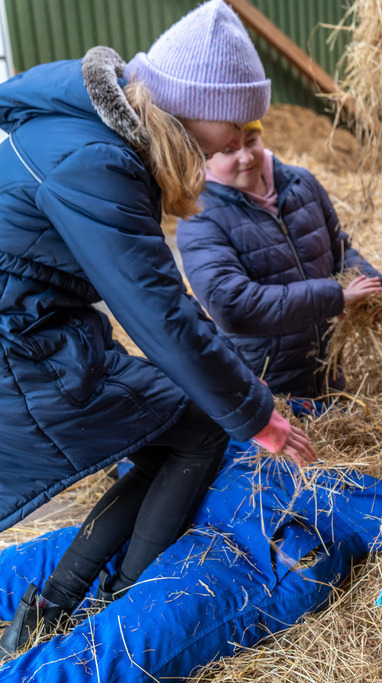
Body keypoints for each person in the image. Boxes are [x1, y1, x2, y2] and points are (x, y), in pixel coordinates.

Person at [0, 0, 316, 657]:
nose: (238, 138)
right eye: (230, 120)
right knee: (199, 427)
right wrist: (258, 413)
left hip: (39, 327)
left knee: (168, 426)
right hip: (19, 348)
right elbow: (160, 312)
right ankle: (122, 613)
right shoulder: (98, 161)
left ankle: (54, 604)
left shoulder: (96, 130)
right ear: (187, 101)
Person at [177, 120, 382, 398]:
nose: (246, 156)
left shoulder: (302, 184)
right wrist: (334, 297)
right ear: (205, 155)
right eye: (229, 150)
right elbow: (233, 306)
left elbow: (340, 250)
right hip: (265, 388)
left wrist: (376, 289)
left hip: (327, 371)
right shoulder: (199, 216)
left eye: (251, 140)